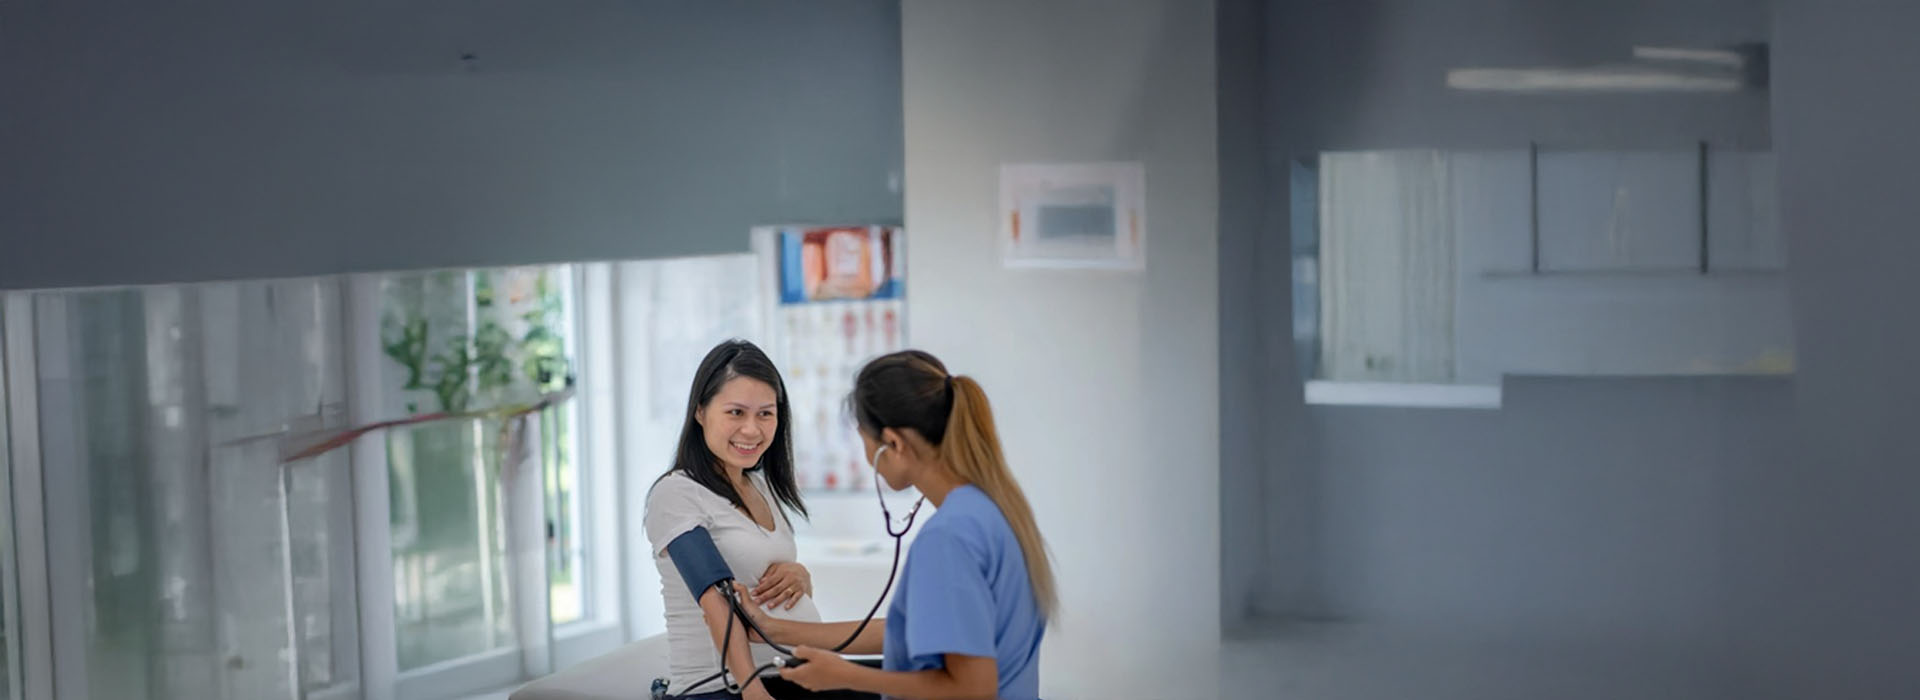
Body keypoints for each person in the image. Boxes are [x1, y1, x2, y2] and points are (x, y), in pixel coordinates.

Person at [740, 350, 1056, 700]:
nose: (866, 460)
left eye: (865, 443)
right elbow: (909, 632)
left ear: (892, 443)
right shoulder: (989, 512)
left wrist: (847, 675)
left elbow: (972, 689)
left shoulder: (948, 538)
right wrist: (773, 629)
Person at [644, 340, 850, 700]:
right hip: (724, 688)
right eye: (736, 413)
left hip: (790, 675)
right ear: (700, 412)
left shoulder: (762, 485)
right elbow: (715, 599)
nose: (752, 430)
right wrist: (755, 693)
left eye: (765, 414)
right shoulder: (676, 494)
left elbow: (766, 583)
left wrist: (801, 576)